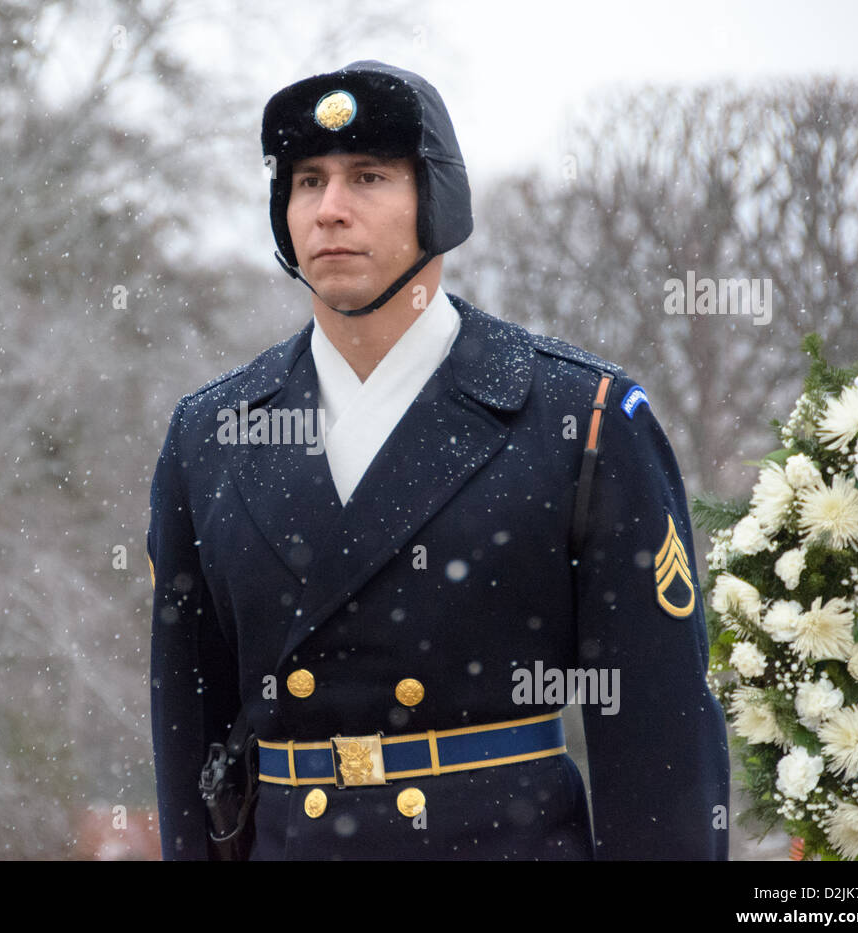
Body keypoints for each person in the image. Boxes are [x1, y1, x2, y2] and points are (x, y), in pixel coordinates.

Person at [147, 60, 729, 860]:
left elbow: (659, 742)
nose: (331, 210)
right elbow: (187, 728)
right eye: (307, 181)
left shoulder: (580, 417)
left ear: (439, 201)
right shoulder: (208, 434)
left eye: (370, 176)